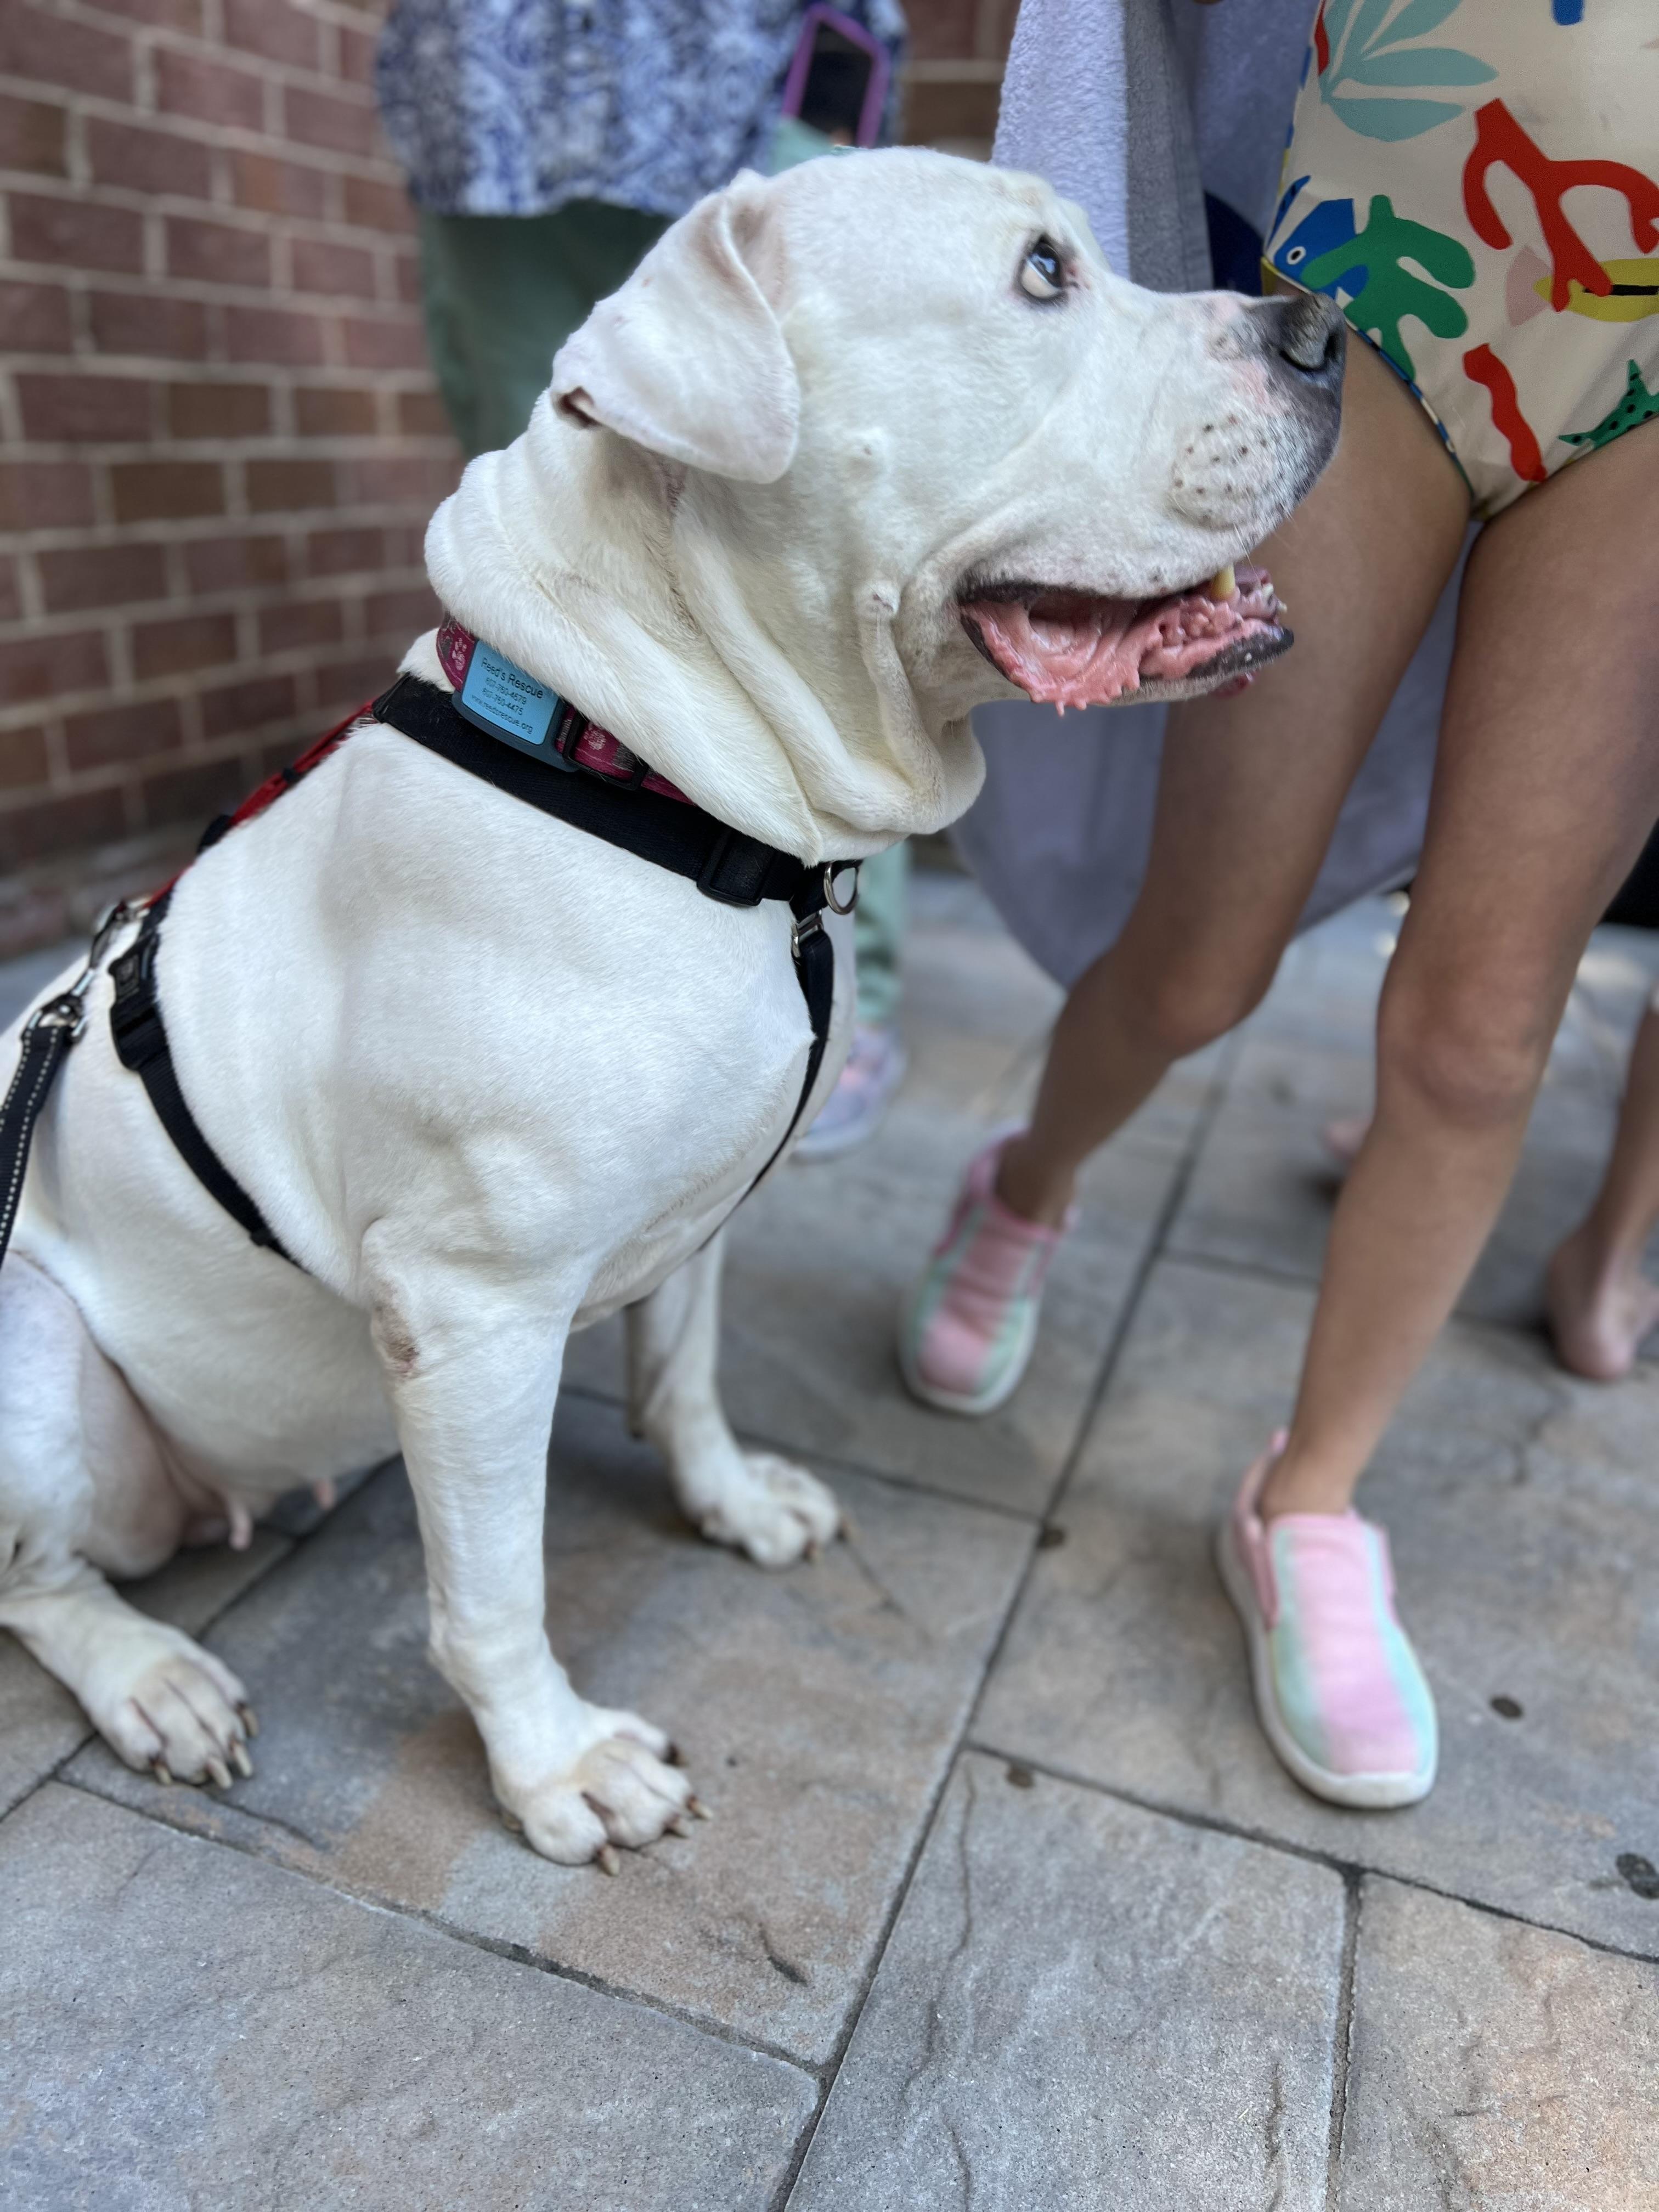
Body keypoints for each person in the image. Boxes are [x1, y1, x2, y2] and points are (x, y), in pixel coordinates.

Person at [901, 0, 1659, 1809]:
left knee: (1482, 1037)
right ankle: (1020, 1182)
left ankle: (1304, 1494)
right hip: (1389, 274)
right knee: (1194, 959)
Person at [376, 2, 906, 460]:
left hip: (717, 147)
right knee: (521, 450)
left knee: (724, 459)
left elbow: (859, 22)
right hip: (490, 145)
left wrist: (812, 151)